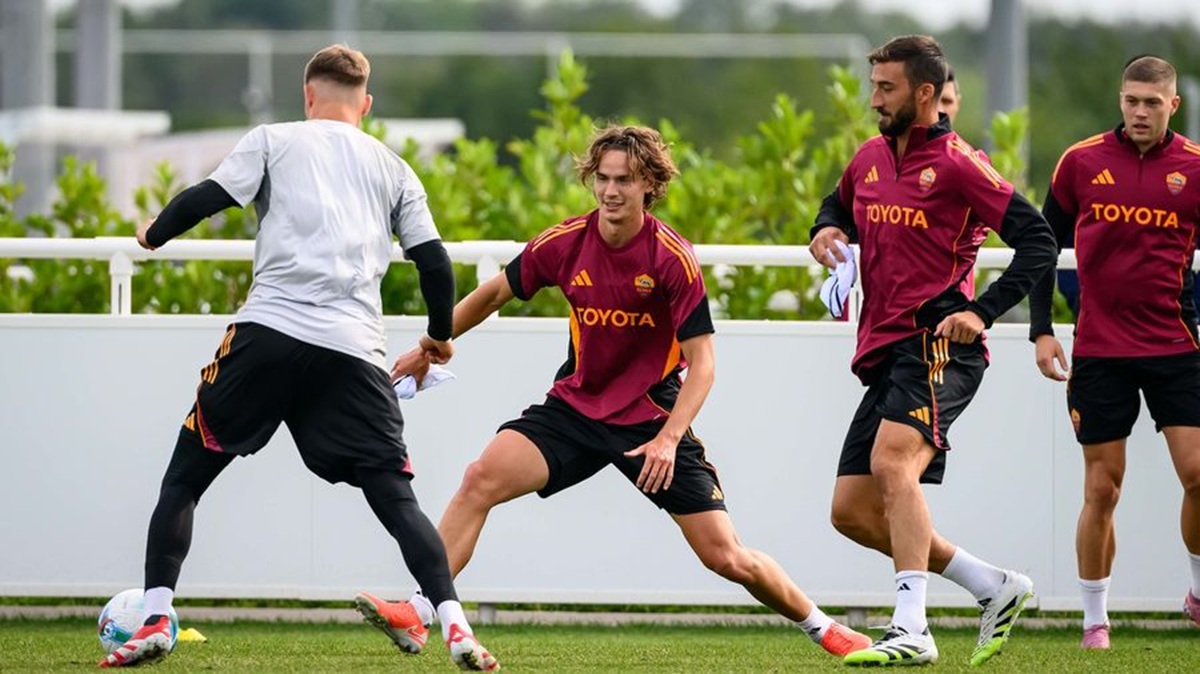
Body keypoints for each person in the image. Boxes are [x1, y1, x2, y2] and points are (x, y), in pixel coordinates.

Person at [356, 124, 873, 661]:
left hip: (650, 422)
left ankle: (823, 628)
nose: (610, 191)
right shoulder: (565, 242)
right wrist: (430, 345)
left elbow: (703, 365)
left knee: (725, 556)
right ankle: (420, 612)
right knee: (479, 479)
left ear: (649, 184)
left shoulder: (671, 258)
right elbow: (493, 294)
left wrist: (669, 439)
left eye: (624, 180)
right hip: (575, 409)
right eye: (602, 178)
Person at [100, 44, 498, 671]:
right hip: (354, 353)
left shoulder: (274, 139)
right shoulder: (394, 168)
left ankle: (155, 614)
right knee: (396, 500)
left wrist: (153, 234)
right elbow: (435, 264)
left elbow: (209, 197)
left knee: (184, 479)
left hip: (269, 335)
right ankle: (454, 624)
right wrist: (438, 337)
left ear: (308, 96)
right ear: (366, 104)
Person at [810, 35, 1056, 666]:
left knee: (893, 464)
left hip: (939, 342)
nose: (873, 100)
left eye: (885, 88)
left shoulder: (959, 163)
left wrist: (982, 311)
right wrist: (827, 228)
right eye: (873, 86)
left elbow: (1038, 239)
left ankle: (912, 630)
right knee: (851, 511)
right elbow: (838, 203)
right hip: (885, 351)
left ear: (924, 93)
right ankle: (992, 585)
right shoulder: (869, 157)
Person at [1030, 54, 1200, 650]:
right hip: (1100, 350)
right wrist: (1041, 329)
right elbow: (1040, 246)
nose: (1140, 112)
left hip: (1176, 345)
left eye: (1152, 102)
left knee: (1198, 473)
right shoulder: (1081, 161)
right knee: (1102, 488)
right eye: (1131, 100)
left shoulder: (1195, 168)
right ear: (1120, 100)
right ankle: (1095, 620)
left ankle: (1197, 594)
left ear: (1173, 105)